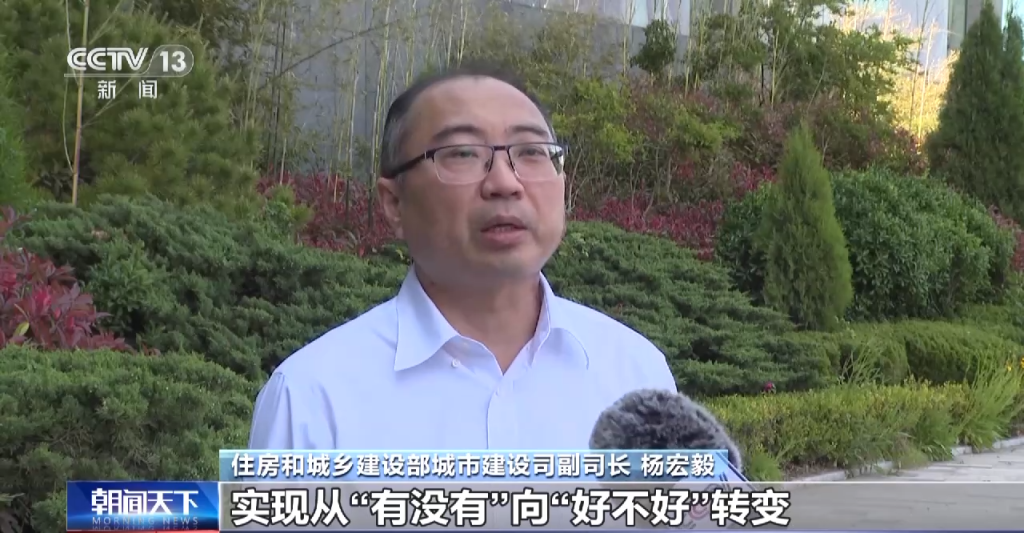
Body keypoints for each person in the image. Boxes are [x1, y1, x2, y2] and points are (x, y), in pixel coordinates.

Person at [248, 63, 676, 450]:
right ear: (394, 203)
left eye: (531, 152)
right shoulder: (311, 397)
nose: (505, 183)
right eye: (463, 154)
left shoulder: (636, 373)